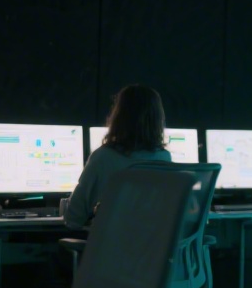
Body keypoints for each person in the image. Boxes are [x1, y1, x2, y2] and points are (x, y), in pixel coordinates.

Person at [64, 84, 173, 230]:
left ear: (119, 116)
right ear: (158, 119)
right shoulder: (164, 159)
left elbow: (73, 218)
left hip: (108, 250)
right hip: (152, 250)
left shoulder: (103, 157)